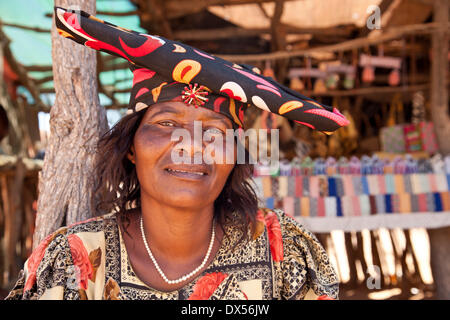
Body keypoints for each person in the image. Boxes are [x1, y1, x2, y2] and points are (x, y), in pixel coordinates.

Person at [5, 7, 348, 300]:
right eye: (167, 123)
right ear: (132, 148)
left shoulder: (282, 251)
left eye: (214, 131)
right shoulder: (73, 260)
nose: (192, 144)